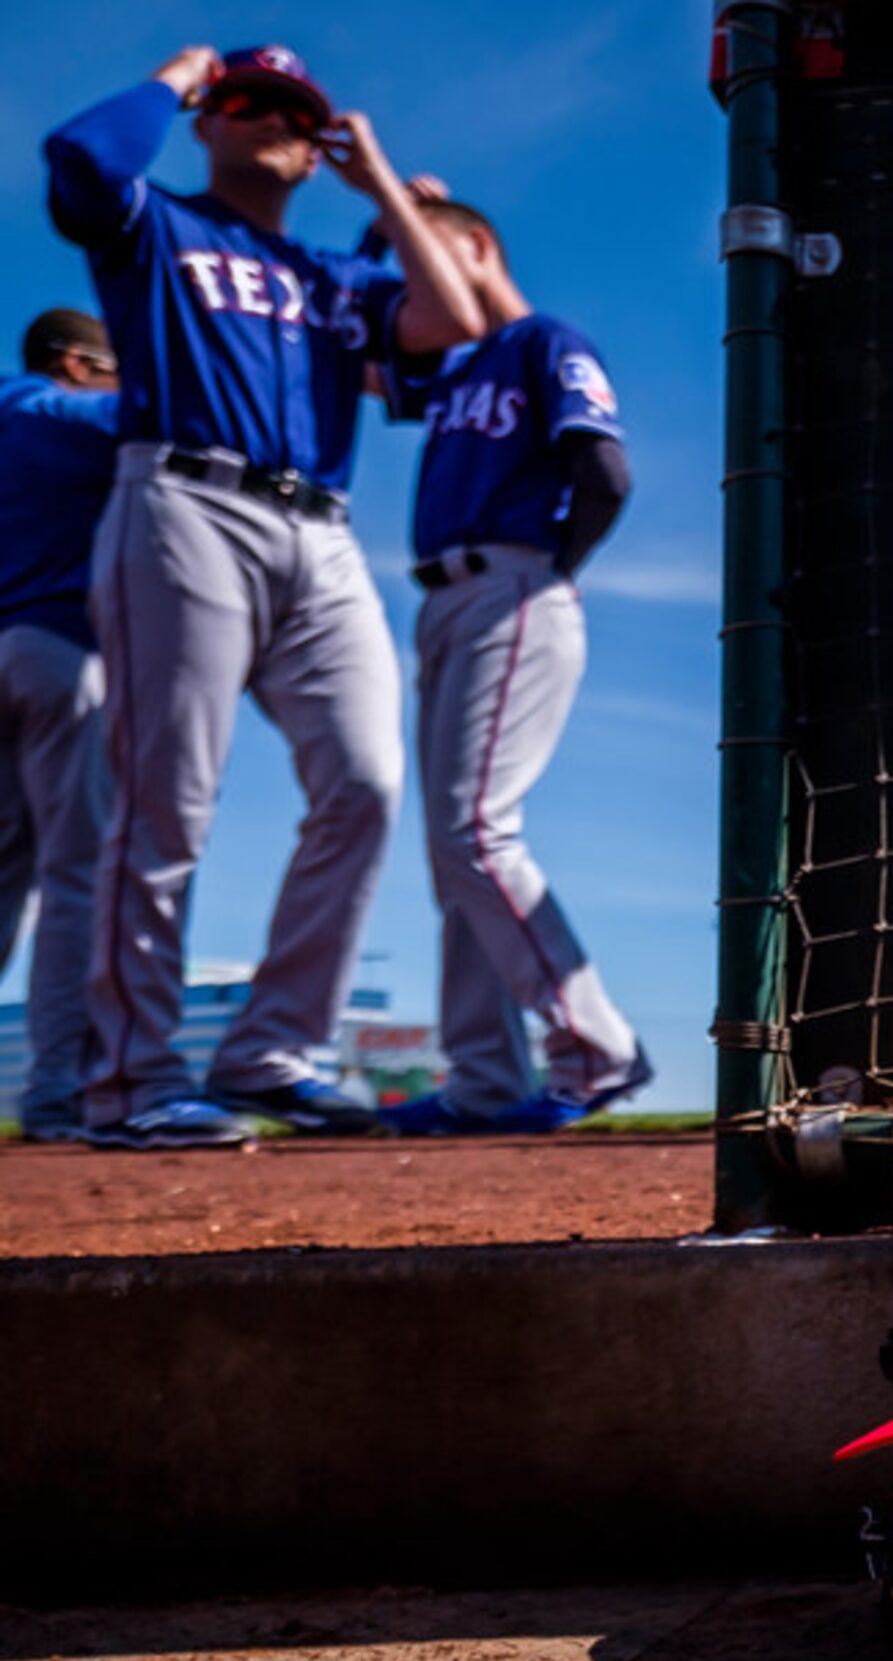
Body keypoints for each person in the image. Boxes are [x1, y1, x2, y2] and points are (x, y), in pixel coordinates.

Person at [44, 44, 482, 1148]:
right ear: (208, 119)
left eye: (292, 107)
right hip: (184, 502)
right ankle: (131, 1086)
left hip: (323, 532)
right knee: (167, 803)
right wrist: (178, 74)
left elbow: (459, 321)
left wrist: (379, 184)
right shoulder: (160, 227)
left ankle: (271, 1053)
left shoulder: (339, 277)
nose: (271, 119)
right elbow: (82, 161)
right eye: (245, 102)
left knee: (369, 786)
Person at [356, 191, 650, 1135]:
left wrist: (552, 569)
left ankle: (597, 1050)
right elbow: (351, 350)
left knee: (476, 830)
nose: (410, 291)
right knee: (455, 853)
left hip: (514, 585)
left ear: (477, 246)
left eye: (422, 262)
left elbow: (604, 470)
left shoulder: (543, 340)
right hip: (446, 599)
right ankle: (483, 1080)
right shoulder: (451, 369)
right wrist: (391, 216)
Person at [0, 311, 121, 1142]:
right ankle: (55, 1096)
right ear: (77, 365)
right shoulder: (72, 415)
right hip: (57, 648)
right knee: (76, 878)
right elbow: (182, 406)